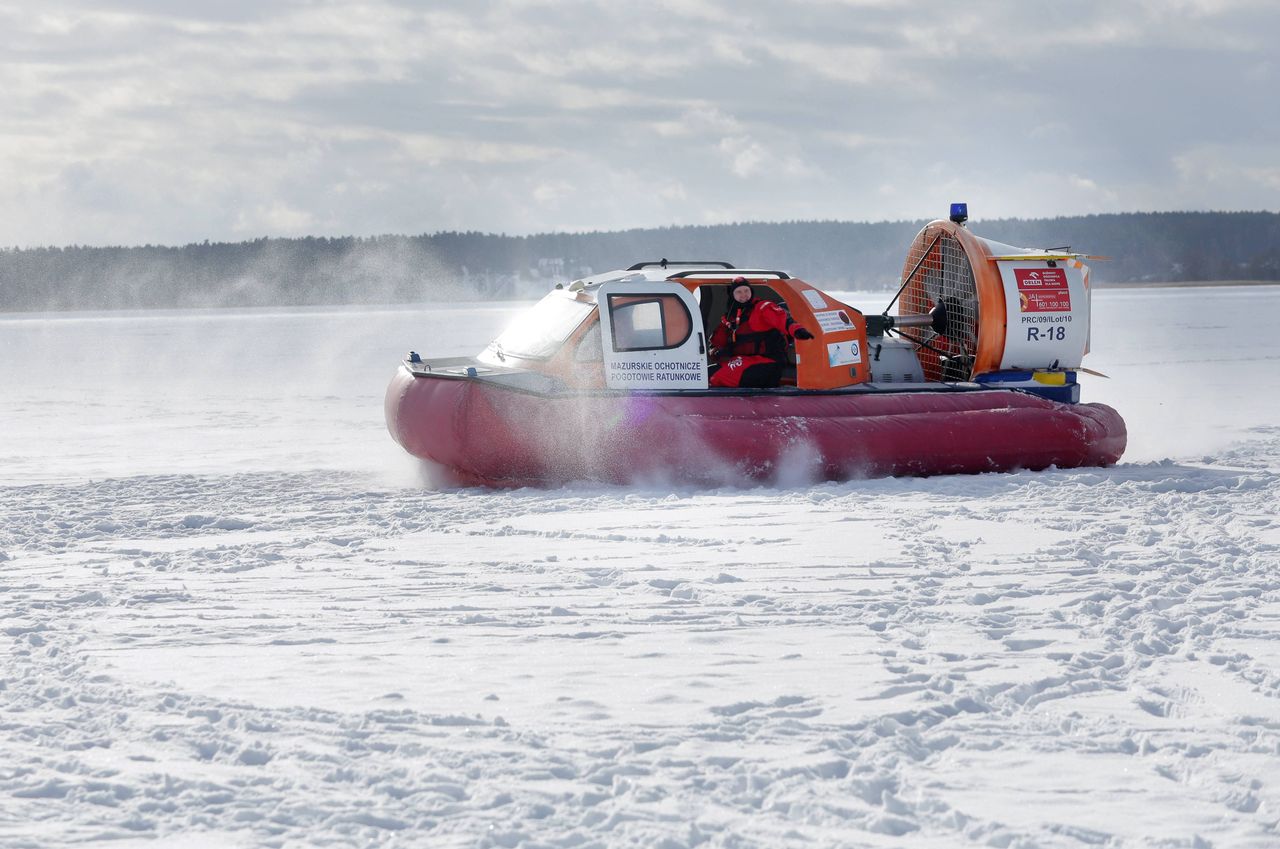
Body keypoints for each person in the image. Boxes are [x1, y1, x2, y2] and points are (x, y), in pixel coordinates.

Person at [710, 277, 815, 388]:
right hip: (746, 359)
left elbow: (783, 320)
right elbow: (717, 340)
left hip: (767, 361)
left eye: (746, 291)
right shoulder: (730, 317)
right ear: (732, 295)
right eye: (739, 292)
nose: (743, 295)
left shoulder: (762, 308)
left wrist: (797, 330)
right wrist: (717, 351)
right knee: (709, 373)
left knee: (718, 378)